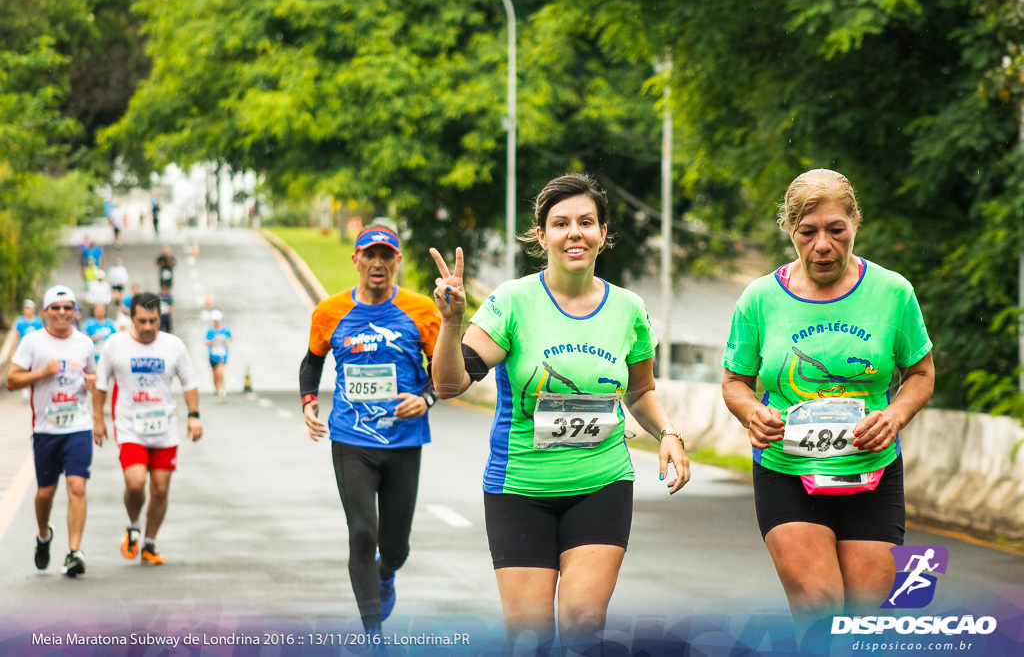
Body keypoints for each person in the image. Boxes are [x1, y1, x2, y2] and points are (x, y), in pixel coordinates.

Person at [430, 174, 690, 653]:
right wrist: (450, 324)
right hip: (520, 489)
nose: (575, 232)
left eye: (586, 222)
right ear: (541, 235)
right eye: (561, 223)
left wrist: (668, 433)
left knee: (584, 624)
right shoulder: (511, 302)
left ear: (603, 233)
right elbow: (449, 384)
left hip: (602, 484)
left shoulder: (629, 310)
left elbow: (640, 392)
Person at [720, 169, 934, 634]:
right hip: (787, 470)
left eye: (836, 230)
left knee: (868, 620)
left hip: (871, 471)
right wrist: (752, 412)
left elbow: (920, 374)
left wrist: (895, 414)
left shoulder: (893, 293)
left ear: (855, 222)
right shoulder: (760, 299)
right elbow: (735, 382)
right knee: (819, 605)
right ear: (790, 231)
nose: (823, 245)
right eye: (808, 232)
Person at [299, 226, 441, 638]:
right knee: (362, 533)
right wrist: (310, 402)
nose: (377, 264)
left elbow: (443, 369)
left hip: (404, 440)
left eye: (386, 256)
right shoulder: (330, 311)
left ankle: (385, 573)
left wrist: (427, 399)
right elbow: (312, 363)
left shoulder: (420, 310)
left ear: (397, 261)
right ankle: (372, 634)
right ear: (356, 260)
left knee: (395, 547)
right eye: (370, 255)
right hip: (351, 439)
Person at [92, 292, 203, 565]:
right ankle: (133, 525)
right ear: (131, 317)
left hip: (165, 429)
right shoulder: (115, 345)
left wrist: (194, 415)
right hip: (130, 427)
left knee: (161, 490)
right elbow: (100, 384)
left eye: (154, 321)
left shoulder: (174, 346)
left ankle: (149, 543)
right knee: (135, 482)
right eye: (142, 321)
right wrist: (98, 419)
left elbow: (190, 383)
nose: (148, 327)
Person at [5, 285, 96, 577]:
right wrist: (42, 372)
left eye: (67, 307)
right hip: (45, 430)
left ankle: (74, 552)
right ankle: (44, 535)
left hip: (78, 426)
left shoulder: (85, 343)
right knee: (45, 493)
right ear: (45, 312)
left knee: (77, 486)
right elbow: (12, 381)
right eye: (55, 308)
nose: (61, 312)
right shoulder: (32, 343)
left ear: (74, 312)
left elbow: (91, 375)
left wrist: (91, 383)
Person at [205, 309, 232, 398]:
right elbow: (206, 343)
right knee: (214, 374)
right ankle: (216, 388)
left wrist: (228, 343)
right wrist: (213, 341)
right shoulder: (210, 330)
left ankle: (222, 388)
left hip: (222, 354)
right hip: (213, 355)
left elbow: (230, 338)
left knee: (220, 372)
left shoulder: (226, 329)